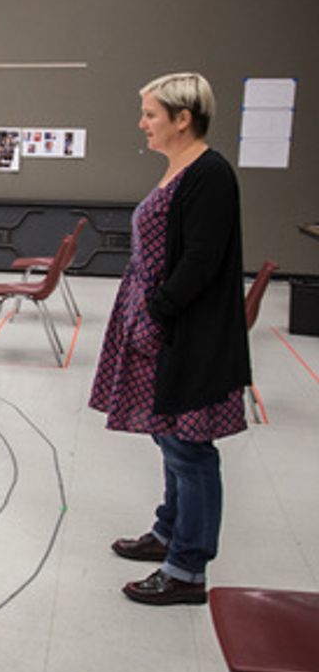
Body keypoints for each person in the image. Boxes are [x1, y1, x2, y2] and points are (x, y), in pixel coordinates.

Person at [90, 72, 250, 606]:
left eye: (151, 114)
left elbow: (201, 259)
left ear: (184, 118)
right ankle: (168, 533)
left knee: (190, 446)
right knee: (169, 435)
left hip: (185, 330)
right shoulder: (179, 169)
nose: (143, 123)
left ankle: (188, 568)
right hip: (160, 324)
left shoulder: (210, 174)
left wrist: (157, 310)